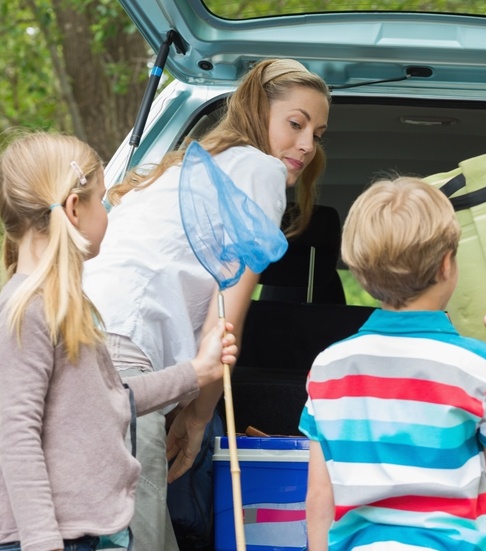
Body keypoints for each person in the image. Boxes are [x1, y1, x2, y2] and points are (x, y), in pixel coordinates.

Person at [82, 58, 331, 550]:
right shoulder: (259, 170)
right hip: (124, 354)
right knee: (139, 539)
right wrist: (197, 420)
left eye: (317, 134)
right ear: (259, 111)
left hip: (82, 336)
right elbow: (225, 323)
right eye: (295, 124)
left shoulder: (183, 166)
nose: (306, 144)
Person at [0, 130, 237, 551]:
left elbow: (109, 396)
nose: (109, 211)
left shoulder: (67, 305)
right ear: (75, 208)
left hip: (81, 533)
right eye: (104, 199)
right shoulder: (27, 310)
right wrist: (42, 542)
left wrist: (196, 372)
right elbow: (17, 435)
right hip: (36, 540)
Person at [299, 177, 486, 551]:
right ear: (447, 265)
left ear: (359, 272)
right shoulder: (480, 366)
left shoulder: (328, 367)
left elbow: (319, 494)